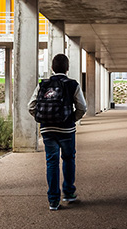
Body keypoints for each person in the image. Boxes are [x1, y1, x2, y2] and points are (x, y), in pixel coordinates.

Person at [28, 53, 87, 211]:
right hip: (67, 129)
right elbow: (83, 107)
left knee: (51, 162)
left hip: (47, 130)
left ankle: (53, 200)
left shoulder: (43, 84)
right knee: (68, 159)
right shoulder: (72, 84)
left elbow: (31, 106)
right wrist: (72, 118)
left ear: (52, 68)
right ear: (67, 68)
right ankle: (68, 193)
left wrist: (42, 118)